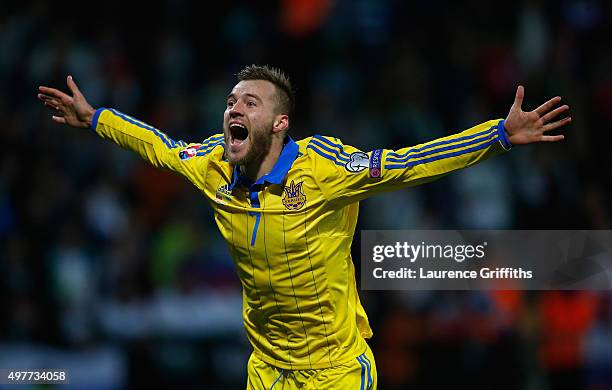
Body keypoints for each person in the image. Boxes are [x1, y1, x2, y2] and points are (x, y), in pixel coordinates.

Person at [37, 65, 571, 389]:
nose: (232, 109)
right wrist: (96, 118)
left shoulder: (324, 169)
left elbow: (411, 161)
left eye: (250, 101)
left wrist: (498, 134)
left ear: (279, 122)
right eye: (229, 101)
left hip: (337, 371)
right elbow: (159, 146)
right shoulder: (213, 165)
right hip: (267, 372)